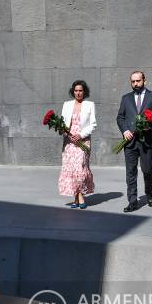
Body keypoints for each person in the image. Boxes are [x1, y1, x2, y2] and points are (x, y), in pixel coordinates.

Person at [116, 71, 152, 213]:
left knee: (147, 170)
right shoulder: (126, 98)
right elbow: (120, 117)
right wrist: (124, 130)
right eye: (133, 81)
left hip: (147, 141)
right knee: (130, 172)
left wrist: (151, 125)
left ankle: (149, 194)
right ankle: (132, 201)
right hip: (130, 142)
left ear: (144, 80)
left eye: (138, 81)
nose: (135, 84)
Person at [58, 80, 96, 209]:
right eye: (76, 91)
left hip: (82, 140)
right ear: (72, 91)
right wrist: (66, 133)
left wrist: (81, 135)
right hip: (69, 141)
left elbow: (93, 124)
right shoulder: (67, 105)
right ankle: (78, 197)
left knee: (80, 169)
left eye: (80, 90)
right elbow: (62, 123)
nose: (78, 93)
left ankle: (79, 196)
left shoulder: (90, 105)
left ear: (84, 92)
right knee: (72, 170)